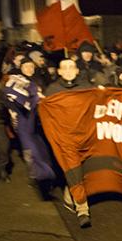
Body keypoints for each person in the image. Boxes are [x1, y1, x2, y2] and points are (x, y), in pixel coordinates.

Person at [44, 59, 94, 227]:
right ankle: (82, 210)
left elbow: (99, 104)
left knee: (83, 171)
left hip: (86, 137)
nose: (68, 71)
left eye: (71, 67)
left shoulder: (86, 88)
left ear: (77, 70)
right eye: (64, 67)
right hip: (65, 139)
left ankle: (69, 189)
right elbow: (45, 113)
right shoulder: (52, 90)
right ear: (58, 71)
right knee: (74, 170)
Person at [3, 58, 56, 194]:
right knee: (32, 153)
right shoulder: (15, 81)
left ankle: (48, 181)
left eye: (31, 66)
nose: (29, 69)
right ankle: (41, 183)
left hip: (40, 122)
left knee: (44, 151)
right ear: (21, 67)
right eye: (26, 66)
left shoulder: (39, 79)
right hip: (25, 122)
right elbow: (9, 99)